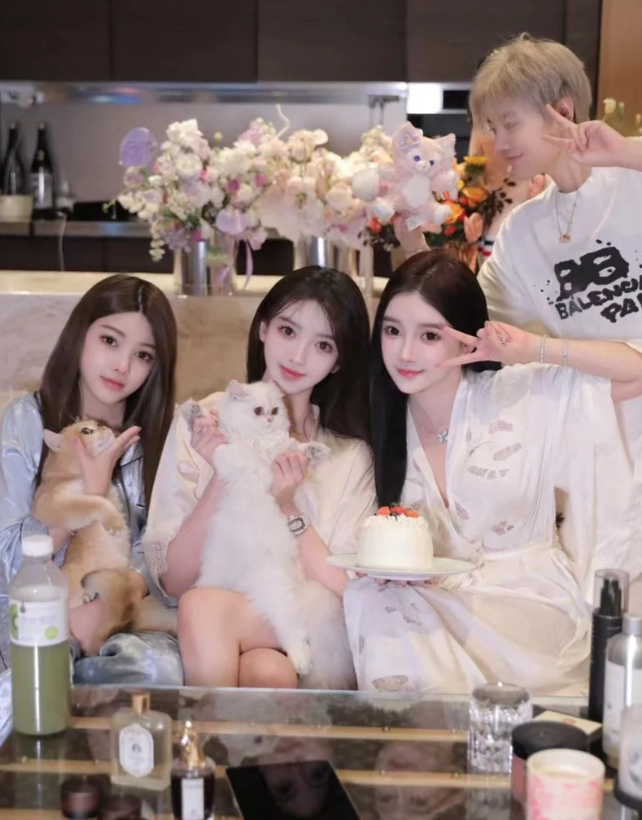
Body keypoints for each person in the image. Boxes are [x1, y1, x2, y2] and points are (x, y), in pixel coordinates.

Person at [396, 34, 642, 606]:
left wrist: (629, 152)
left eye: (510, 123)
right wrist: (412, 242)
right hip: (603, 433)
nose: (498, 142)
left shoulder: (634, 181)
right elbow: (470, 322)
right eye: (492, 126)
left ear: (563, 109)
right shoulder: (525, 230)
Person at [343, 251, 642, 695]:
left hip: (529, 607)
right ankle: (427, 731)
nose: (405, 352)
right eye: (392, 331)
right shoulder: (378, 421)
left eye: (429, 335)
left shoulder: (522, 392)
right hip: (434, 610)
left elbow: (636, 371)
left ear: (466, 340)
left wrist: (533, 348)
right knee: (368, 597)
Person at [144, 266, 375, 688]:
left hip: (307, 621)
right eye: (288, 331)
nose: (298, 356)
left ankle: (203, 733)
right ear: (263, 329)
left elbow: (347, 588)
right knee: (266, 671)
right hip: (232, 621)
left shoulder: (347, 455)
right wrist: (226, 468)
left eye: (323, 344)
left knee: (204, 608)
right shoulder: (204, 423)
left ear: (339, 360)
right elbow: (174, 580)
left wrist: (288, 507)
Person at [0, 274, 183, 685]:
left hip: (125, 611)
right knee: (43, 672)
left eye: (143, 355)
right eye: (110, 340)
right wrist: (92, 495)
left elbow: (161, 551)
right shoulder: (28, 421)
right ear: (80, 333)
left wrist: (109, 599)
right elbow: (6, 557)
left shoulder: (161, 435)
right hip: (36, 607)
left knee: (159, 669)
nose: (122, 366)